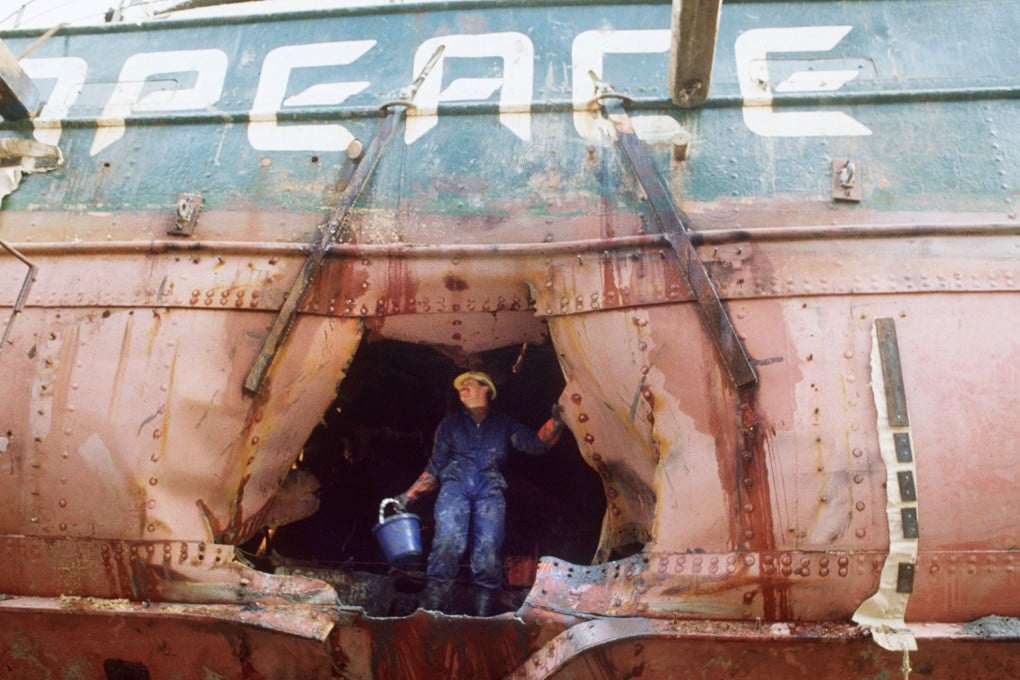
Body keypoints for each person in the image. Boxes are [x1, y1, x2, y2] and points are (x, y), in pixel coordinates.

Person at [395, 370, 565, 615]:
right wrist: (409, 495)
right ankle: (432, 607)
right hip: (454, 488)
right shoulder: (450, 425)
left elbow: (536, 443)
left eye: (468, 383)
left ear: (486, 388)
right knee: (448, 542)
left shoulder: (503, 424)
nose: (461, 388)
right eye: (459, 386)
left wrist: (557, 422)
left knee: (488, 549)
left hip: (489, 490)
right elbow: (435, 467)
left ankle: (483, 614)